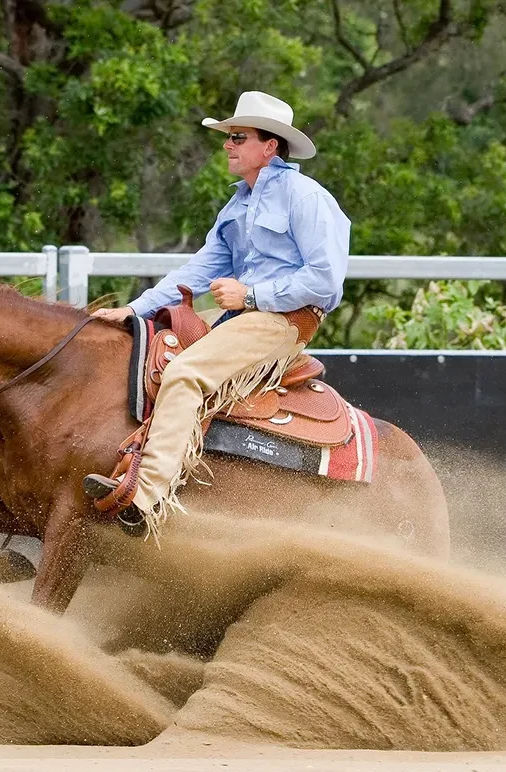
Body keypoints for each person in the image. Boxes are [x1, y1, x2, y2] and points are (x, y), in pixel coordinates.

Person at [84, 90, 351, 533]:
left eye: (238, 136)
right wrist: (136, 309)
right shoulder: (238, 204)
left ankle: (145, 496)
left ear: (270, 146)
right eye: (228, 136)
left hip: (282, 321)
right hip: (241, 316)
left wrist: (250, 296)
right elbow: (198, 269)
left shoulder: (306, 197)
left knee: (186, 374)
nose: (228, 144)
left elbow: (325, 280)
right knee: (144, 347)